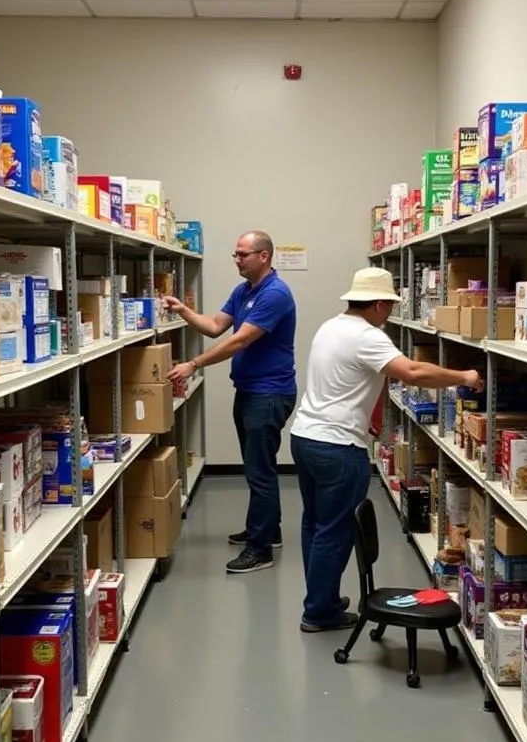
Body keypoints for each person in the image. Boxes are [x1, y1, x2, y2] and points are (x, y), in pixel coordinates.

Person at [289, 267, 483, 632]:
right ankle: (319, 612)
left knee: (315, 524)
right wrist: (464, 378)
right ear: (379, 304)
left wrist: (373, 416)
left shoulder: (331, 326)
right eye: (389, 306)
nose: (390, 313)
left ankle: (321, 598)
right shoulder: (369, 336)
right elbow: (411, 372)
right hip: (338, 446)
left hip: (305, 437)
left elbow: (357, 378)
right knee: (336, 530)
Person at [164, 230, 297, 575]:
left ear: (264, 256)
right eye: (235, 254)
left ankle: (260, 549)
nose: (236, 260)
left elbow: (238, 342)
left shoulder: (275, 294)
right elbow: (213, 327)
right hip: (251, 391)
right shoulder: (244, 291)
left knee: (259, 471)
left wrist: (194, 365)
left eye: (242, 254)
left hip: (269, 394)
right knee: (258, 468)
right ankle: (269, 529)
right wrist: (183, 310)